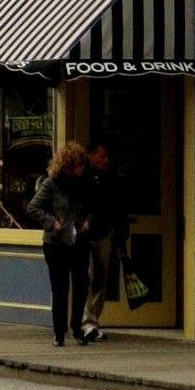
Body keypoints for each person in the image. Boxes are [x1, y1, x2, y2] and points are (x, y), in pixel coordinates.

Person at [27, 142, 94, 347]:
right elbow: (33, 207)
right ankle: (59, 331)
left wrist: (87, 220)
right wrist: (52, 222)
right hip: (56, 242)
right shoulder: (52, 183)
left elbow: (91, 206)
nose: (82, 169)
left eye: (83, 166)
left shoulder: (84, 183)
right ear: (68, 165)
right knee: (60, 286)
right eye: (78, 165)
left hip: (79, 240)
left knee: (81, 283)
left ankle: (77, 327)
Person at [81, 141, 127, 342]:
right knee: (87, 276)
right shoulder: (81, 177)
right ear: (91, 156)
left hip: (105, 232)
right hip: (84, 234)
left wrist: (121, 236)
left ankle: (94, 320)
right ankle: (86, 321)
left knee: (101, 278)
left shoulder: (112, 179)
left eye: (107, 157)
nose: (105, 161)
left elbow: (118, 209)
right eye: (102, 157)